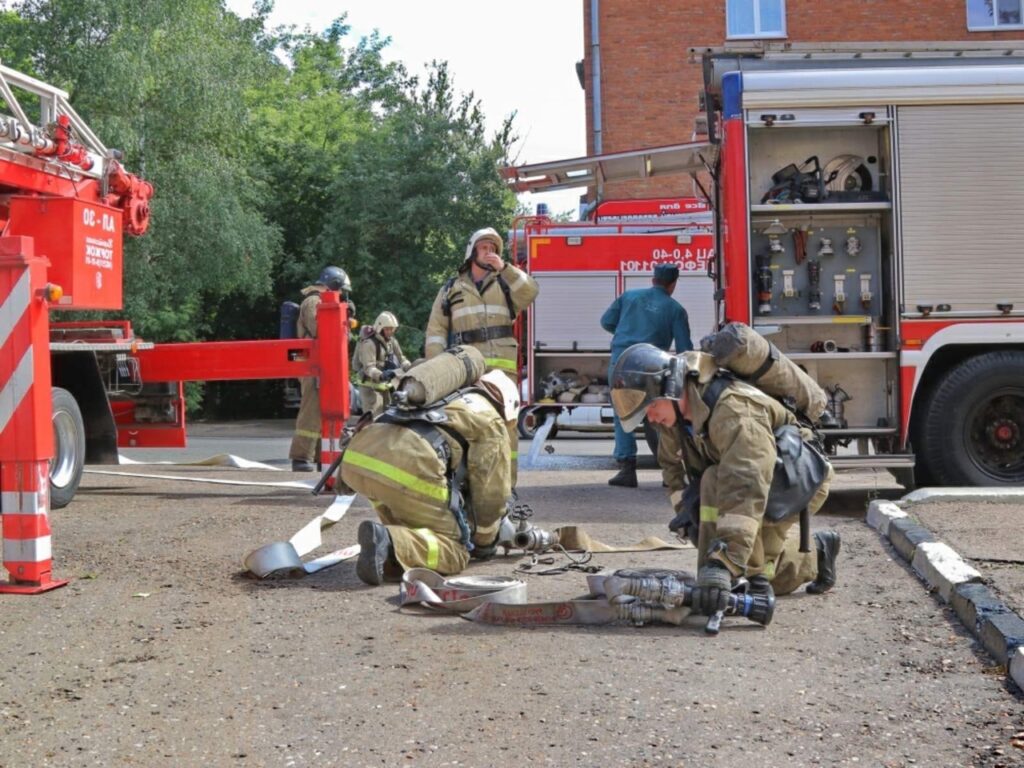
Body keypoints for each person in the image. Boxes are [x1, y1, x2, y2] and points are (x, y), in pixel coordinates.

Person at [609, 343, 841, 615]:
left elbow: (746, 485)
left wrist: (724, 563)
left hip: (791, 482)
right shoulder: (672, 418)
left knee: (747, 570)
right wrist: (686, 515)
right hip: (743, 485)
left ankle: (810, 554)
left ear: (668, 388)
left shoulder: (734, 410)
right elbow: (672, 470)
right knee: (744, 568)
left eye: (650, 406)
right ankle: (733, 580)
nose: (649, 417)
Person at [339, 370, 519, 585]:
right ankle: (389, 542)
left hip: (357, 461)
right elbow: (491, 494)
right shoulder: (490, 418)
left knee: (413, 525)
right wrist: (485, 540)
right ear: (507, 406)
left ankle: (388, 551)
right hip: (406, 470)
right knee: (454, 551)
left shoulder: (442, 393)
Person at [424, 227, 538, 483]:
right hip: (466, 368)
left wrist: (505, 267)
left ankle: (507, 487)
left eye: (494, 249)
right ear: (472, 252)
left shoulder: (505, 284)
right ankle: (469, 485)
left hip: (502, 372)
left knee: (507, 427)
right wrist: (435, 371)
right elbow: (436, 331)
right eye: (485, 248)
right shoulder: (451, 289)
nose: (490, 253)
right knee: (465, 423)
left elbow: (530, 291)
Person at [600, 263, 692, 488]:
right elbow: (684, 348)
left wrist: (626, 333)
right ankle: (668, 471)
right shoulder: (676, 309)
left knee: (623, 414)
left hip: (621, 362)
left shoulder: (629, 296)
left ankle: (627, 470)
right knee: (659, 415)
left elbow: (606, 322)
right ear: (673, 285)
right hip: (652, 368)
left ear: (653, 280)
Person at [288, 265, 356, 472]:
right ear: (333, 284)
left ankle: (320, 456)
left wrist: (344, 318)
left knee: (323, 411)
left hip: (324, 363)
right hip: (312, 363)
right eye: (340, 290)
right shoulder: (313, 301)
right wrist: (340, 318)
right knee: (311, 410)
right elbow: (322, 331)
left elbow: (341, 338)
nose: (342, 295)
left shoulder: (322, 302)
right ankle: (300, 458)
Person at [352, 311, 411, 417]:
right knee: (374, 419)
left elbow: (401, 358)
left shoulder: (391, 342)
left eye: (392, 329)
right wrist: (381, 375)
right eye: (387, 329)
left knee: (387, 418)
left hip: (383, 386)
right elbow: (369, 368)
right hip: (369, 387)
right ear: (380, 328)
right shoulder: (369, 344)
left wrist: (409, 366)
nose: (390, 331)